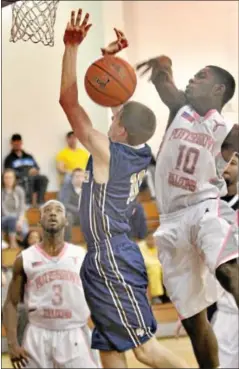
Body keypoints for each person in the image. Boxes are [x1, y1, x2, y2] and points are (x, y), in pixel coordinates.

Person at [59, 8, 188, 369]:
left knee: (145, 349)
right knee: (110, 347)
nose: (111, 117)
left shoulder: (108, 153)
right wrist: (108, 59)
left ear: (121, 131)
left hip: (111, 256)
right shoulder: (137, 149)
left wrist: (71, 47)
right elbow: (117, 98)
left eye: (115, 118)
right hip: (108, 253)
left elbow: (69, 103)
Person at [137, 55, 239, 368]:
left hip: (205, 208)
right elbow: (164, 83)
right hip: (170, 223)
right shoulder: (179, 109)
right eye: (192, 75)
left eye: (201, 76)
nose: (192, 79)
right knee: (195, 322)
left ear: (218, 88)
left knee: (228, 270)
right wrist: (162, 67)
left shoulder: (226, 129)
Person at [3, 200, 100, 369]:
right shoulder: (25, 258)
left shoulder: (82, 255)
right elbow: (10, 303)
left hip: (75, 334)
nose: (53, 213)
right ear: (40, 220)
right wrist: (12, 344)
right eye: (47, 210)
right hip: (37, 334)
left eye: (58, 210)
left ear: (66, 220)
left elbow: (98, 297)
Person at [212, 147, 238, 368]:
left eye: (233, 163)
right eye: (223, 162)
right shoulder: (206, 208)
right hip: (225, 311)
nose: (226, 168)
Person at [4, 134, 49, 206]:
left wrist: (35, 170)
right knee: (28, 179)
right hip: (20, 179)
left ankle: (40, 202)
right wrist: (26, 173)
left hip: (33, 177)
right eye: (15, 143)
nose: (17, 145)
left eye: (19, 143)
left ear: (21, 143)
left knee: (43, 178)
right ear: (11, 144)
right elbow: (9, 173)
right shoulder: (9, 159)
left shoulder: (29, 156)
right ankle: (28, 203)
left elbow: (37, 167)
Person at [2, 169, 29, 249]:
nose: (8, 180)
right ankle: (13, 243)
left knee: (24, 231)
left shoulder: (19, 190)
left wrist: (20, 221)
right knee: (11, 219)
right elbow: (3, 210)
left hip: (18, 218)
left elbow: (22, 207)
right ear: (3, 179)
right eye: (6, 177)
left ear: (14, 179)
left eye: (10, 177)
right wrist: (14, 220)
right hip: (3, 218)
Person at [58, 168, 84, 242]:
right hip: (73, 215)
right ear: (72, 178)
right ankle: (67, 242)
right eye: (77, 176)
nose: (80, 179)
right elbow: (64, 204)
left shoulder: (89, 188)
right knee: (68, 216)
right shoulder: (66, 188)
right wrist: (79, 210)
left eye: (82, 176)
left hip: (85, 216)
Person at [139, 233, 164, 304]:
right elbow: (143, 260)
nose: (151, 241)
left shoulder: (160, 244)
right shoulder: (140, 246)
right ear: (145, 239)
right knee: (154, 269)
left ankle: (171, 295)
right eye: (149, 239)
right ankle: (156, 296)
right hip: (147, 267)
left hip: (159, 265)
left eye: (153, 239)